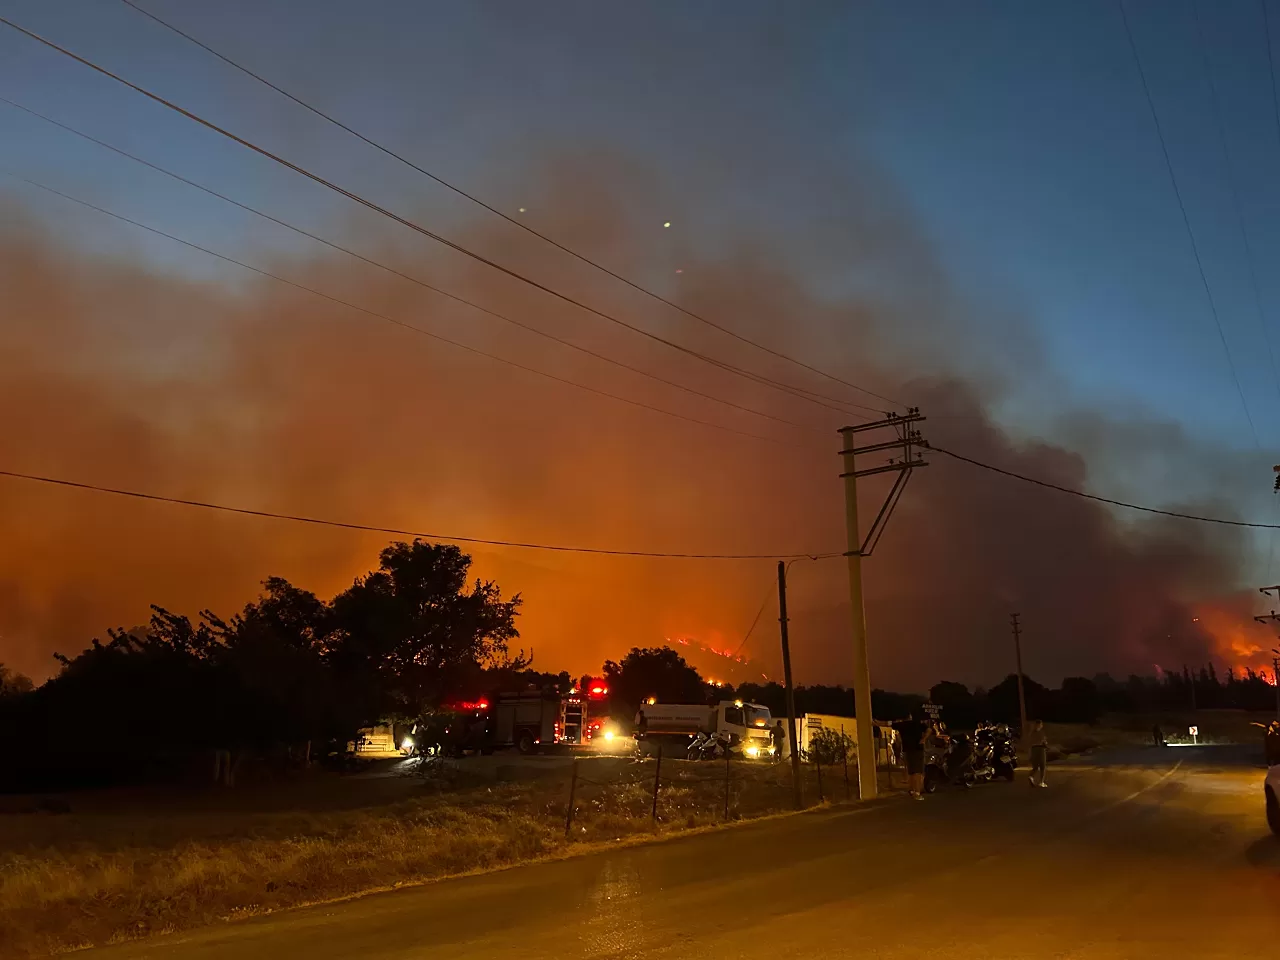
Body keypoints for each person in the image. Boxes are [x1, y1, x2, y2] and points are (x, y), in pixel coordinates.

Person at [896, 713, 927, 799]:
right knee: (917, 772)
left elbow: (888, 723)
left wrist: (876, 722)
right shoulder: (917, 723)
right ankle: (917, 792)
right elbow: (929, 729)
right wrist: (924, 739)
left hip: (907, 750)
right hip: (917, 749)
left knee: (911, 771)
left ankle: (912, 790)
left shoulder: (902, 725)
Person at [1028, 719, 1049, 788]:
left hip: (1033, 749)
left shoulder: (1032, 733)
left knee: (1035, 767)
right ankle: (1041, 782)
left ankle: (1031, 776)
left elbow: (1030, 742)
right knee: (1043, 766)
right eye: (1041, 724)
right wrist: (1046, 746)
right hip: (1040, 749)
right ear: (1040, 725)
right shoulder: (1041, 733)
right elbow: (1043, 741)